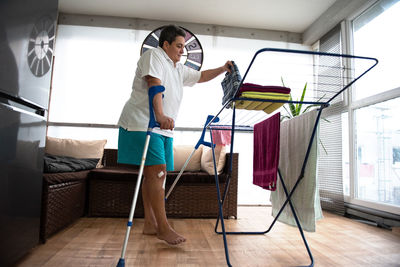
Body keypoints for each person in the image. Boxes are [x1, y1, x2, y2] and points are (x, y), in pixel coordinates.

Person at [117, 25, 232, 245]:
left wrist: (223, 68)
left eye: (183, 47)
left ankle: (150, 224)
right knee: (158, 172)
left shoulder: (178, 68)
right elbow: (154, 85)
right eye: (178, 46)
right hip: (144, 123)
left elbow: (200, 76)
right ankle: (163, 227)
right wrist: (160, 115)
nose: (182, 51)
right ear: (166, 44)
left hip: (162, 128)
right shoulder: (155, 56)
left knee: (154, 174)